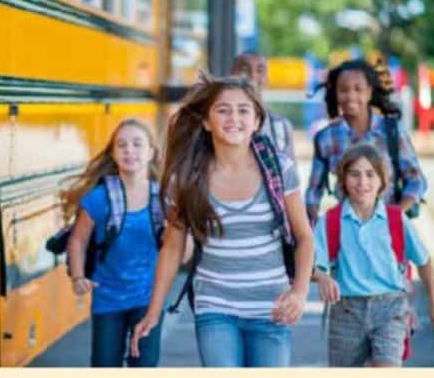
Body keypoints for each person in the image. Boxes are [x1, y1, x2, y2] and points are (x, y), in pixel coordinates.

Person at [130, 74, 314, 367]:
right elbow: (172, 247)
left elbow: (304, 237)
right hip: (215, 307)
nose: (234, 118)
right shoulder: (187, 178)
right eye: (223, 110)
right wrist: (154, 311)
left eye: (243, 110)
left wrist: (300, 292)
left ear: (256, 121)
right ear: (206, 121)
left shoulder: (279, 168)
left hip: (272, 307)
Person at [312, 143, 434, 367]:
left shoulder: (395, 219)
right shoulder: (330, 221)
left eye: (370, 175)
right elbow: (314, 265)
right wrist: (323, 276)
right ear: (343, 180)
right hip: (346, 311)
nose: (363, 182)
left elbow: (424, 261)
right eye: (354, 174)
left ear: (382, 181)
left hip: (391, 308)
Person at [64, 118, 164, 367]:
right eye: (122, 145)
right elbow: (78, 240)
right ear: (113, 153)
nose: (129, 150)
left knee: (145, 365)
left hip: (147, 300)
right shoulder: (99, 198)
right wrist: (77, 277)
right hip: (107, 298)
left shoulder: (163, 199)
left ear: (151, 152)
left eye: (137, 144)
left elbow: (179, 250)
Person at [305, 58, 427, 225]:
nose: (351, 96)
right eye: (343, 90)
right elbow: (313, 192)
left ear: (369, 92)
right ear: (335, 93)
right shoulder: (326, 137)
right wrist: (315, 227)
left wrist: (395, 216)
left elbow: (416, 181)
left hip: (389, 231)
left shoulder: (392, 131)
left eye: (358, 89)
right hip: (347, 231)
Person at [231, 51, 296, 162]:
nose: (253, 75)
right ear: (232, 75)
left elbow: (290, 175)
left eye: (260, 70)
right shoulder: (220, 123)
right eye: (245, 69)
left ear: (267, 78)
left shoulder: (281, 126)